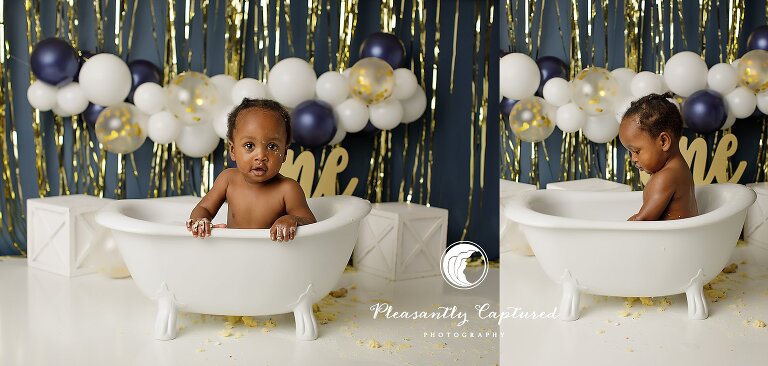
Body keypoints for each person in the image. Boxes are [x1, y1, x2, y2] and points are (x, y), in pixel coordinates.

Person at [186, 98, 316, 241]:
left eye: (272, 146)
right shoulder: (228, 179)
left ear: (284, 153)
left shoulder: (288, 189)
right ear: (233, 150)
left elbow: (310, 222)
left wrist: (292, 220)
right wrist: (201, 221)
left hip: (271, 256)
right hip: (233, 252)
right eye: (249, 146)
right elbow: (204, 208)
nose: (260, 156)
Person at [618, 93, 699, 221]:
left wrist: (617, 231)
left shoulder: (665, 177)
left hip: (670, 240)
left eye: (636, 151)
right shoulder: (680, 169)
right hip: (683, 237)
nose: (633, 158)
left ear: (663, 142)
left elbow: (642, 221)